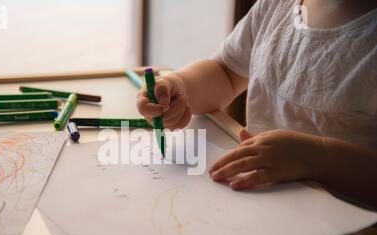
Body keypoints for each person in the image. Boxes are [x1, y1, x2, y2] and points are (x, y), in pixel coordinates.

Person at [137, 0, 377, 207]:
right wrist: (179, 87)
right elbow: (225, 73)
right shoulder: (276, 6)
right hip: (255, 203)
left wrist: (316, 158)